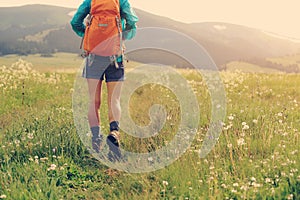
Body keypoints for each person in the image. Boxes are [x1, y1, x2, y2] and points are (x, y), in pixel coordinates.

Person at [70, 0, 138, 158]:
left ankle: (96, 140)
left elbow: (75, 22)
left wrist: (88, 34)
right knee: (114, 100)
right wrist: (121, 38)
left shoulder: (91, 1)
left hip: (93, 57)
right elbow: (133, 22)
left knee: (94, 101)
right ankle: (114, 133)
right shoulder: (121, 1)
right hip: (116, 57)